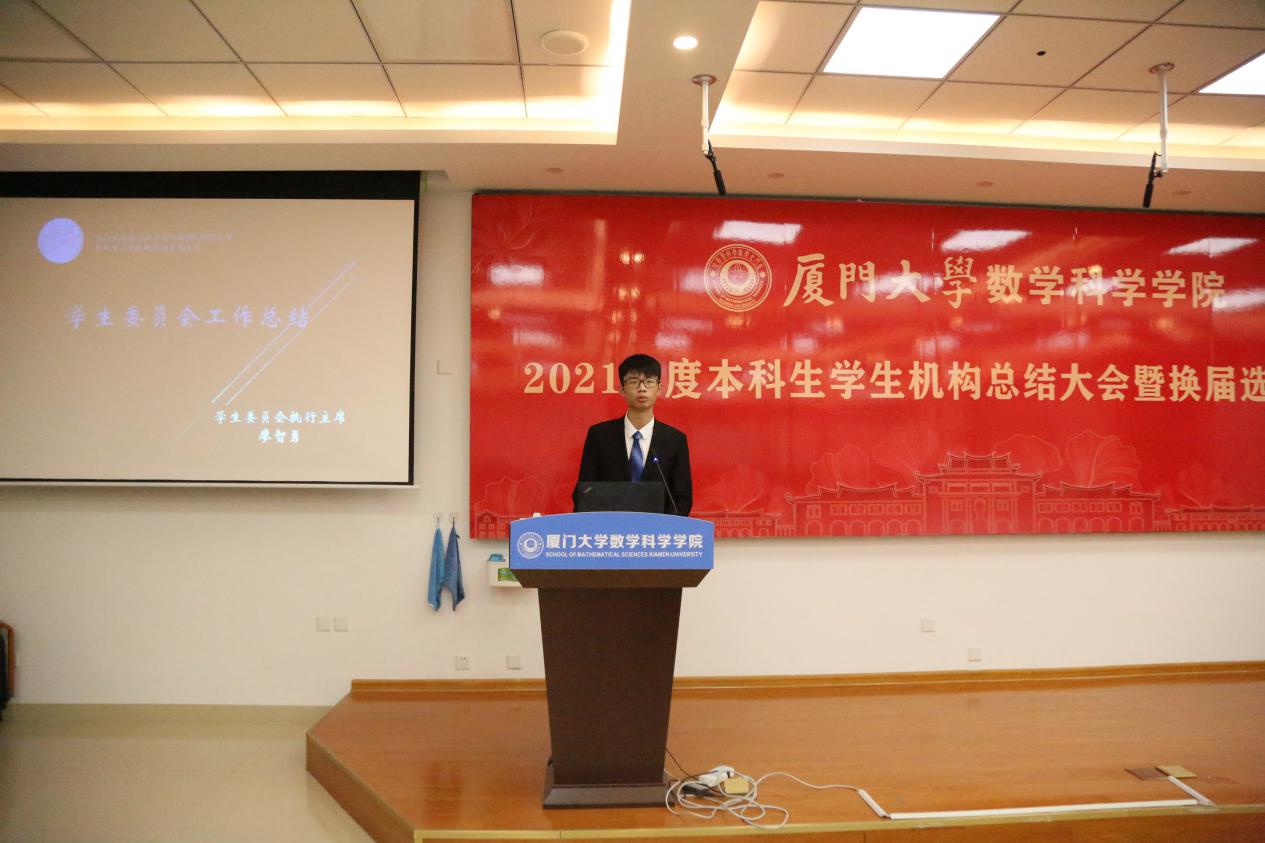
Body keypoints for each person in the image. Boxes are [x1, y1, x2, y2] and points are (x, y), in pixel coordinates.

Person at [575, 353, 692, 516]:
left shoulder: (674, 440)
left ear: (659, 388)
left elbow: (682, 499)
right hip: (609, 528)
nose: (642, 388)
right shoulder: (600, 436)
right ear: (622, 389)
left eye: (649, 381)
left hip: (658, 530)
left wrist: (661, 527)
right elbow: (584, 491)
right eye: (634, 382)